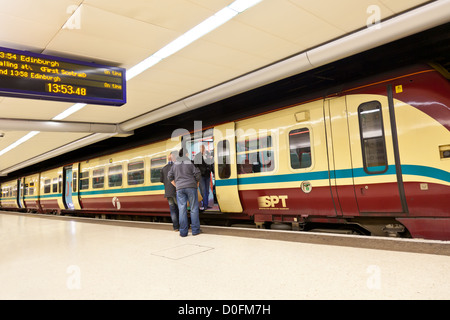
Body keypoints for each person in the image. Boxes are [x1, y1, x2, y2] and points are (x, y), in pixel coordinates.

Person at [168, 148, 201, 237]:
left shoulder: (175, 165)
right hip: (191, 187)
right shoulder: (189, 163)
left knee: (182, 210)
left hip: (180, 189)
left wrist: (176, 185)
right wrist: (197, 183)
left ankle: (183, 232)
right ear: (186, 155)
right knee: (193, 208)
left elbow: (169, 176)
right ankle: (195, 230)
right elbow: (197, 174)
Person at [160, 151, 179, 231]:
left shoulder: (163, 168)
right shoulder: (176, 167)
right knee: (180, 209)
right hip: (175, 190)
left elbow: (162, 180)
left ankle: (175, 227)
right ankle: (183, 225)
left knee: (172, 210)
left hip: (168, 192)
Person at [194, 145, 212, 210]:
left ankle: (206, 204)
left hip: (207, 175)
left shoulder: (207, 154)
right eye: (201, 148)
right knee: (203, 190)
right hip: (201, 176)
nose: (203, 149)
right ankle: (204, 205)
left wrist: (210, 170)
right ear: (200, 149)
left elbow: (210, 163)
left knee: (207, 191)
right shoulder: (197, 156)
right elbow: (195, 166)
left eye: (203, 148)